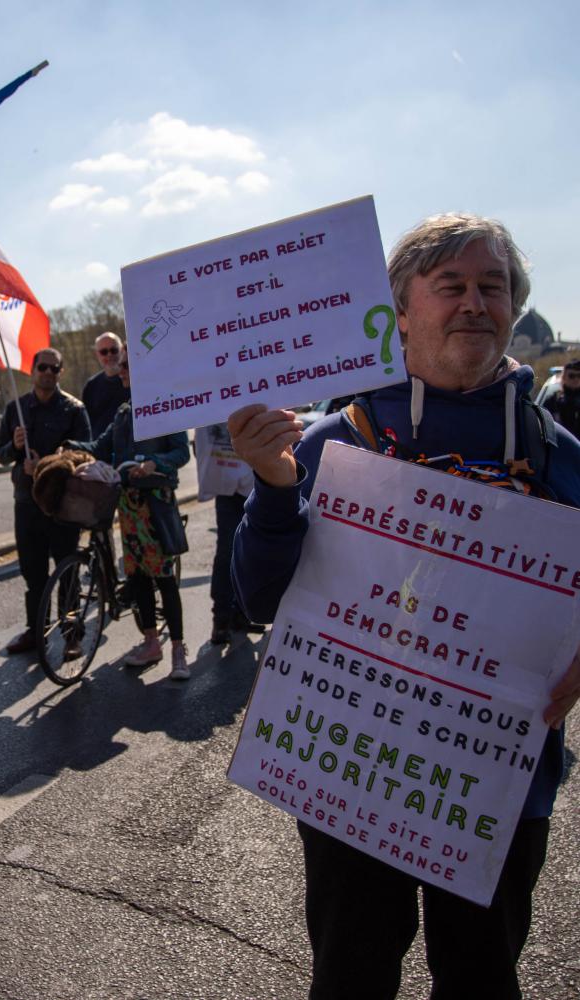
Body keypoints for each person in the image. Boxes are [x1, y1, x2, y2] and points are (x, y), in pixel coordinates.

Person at [228, 214, 580, 999]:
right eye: (450, 285)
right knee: (351, 977)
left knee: (482, 979)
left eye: (492, 287)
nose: (474, 303)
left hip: (497, 787)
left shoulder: (562, 457)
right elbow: (257, 598)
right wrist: (275, 487)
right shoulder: (329, 441)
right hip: (351, 775)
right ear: (400, 311)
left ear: (514, 307)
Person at [71, 348, 192, 678]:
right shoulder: (124, 411)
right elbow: (100, 447)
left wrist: (155, 463)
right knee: (137, 575)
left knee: (164, 577)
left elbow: (182, 452)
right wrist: (68, 446)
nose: (119, 370)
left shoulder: (165, 404)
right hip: (128, 505)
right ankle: (151, 642)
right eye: (120, 365)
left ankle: (178, 649)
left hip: (155, 503)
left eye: (125, 365)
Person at [0, 348, 91, 654]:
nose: (48, 373)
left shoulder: (74, 409)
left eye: (54, 368)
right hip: (26, 501)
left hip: (64, 503)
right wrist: (14, 447)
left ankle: (72, 633)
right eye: (43, 367)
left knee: (67, 569)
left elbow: (85, 453)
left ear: (61, 372)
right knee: (33, 572)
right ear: (33, 370)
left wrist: (45, 465)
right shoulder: (17, 408)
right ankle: (35, 631)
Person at [194, 423, 265, 644]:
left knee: (250, 553)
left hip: (252, 487)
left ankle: (241, 613)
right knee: (228, 552)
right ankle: (222, 618)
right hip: (231, 490)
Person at [81, 331, 130, 439]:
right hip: (100, 445)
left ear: (122, 350)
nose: (109, 355)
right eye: (104, 352)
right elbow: (86, 424)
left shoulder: (132, 381)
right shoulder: (91, 386)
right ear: (97, 355)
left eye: (114, 350)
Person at [542, 357, 580, 438]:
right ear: (564, 377)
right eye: (572, 376)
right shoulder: (552, 402)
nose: (576, 379)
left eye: (579, 376)